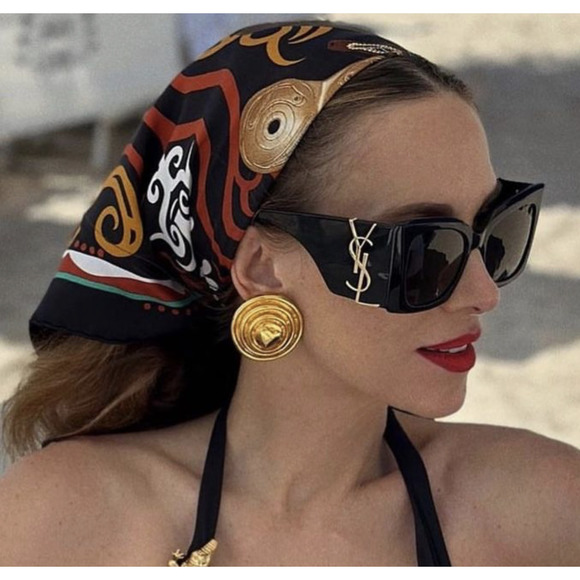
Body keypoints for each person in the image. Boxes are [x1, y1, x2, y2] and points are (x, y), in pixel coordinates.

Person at [0, 20, 579, 566]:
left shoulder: (548, 511)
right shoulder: (67, 520)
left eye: (495, 229)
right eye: (423, 247)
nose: (483, 292)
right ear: (262, 268)